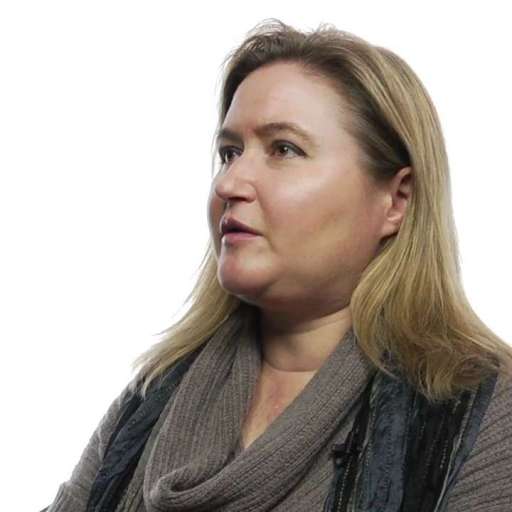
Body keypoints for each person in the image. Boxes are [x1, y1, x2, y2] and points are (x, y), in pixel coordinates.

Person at [43, 18, 512, 512]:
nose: (229, 184)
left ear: (396, 200)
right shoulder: (148, 402)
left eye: (284, 149)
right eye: (229, 153)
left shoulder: (481, 418)